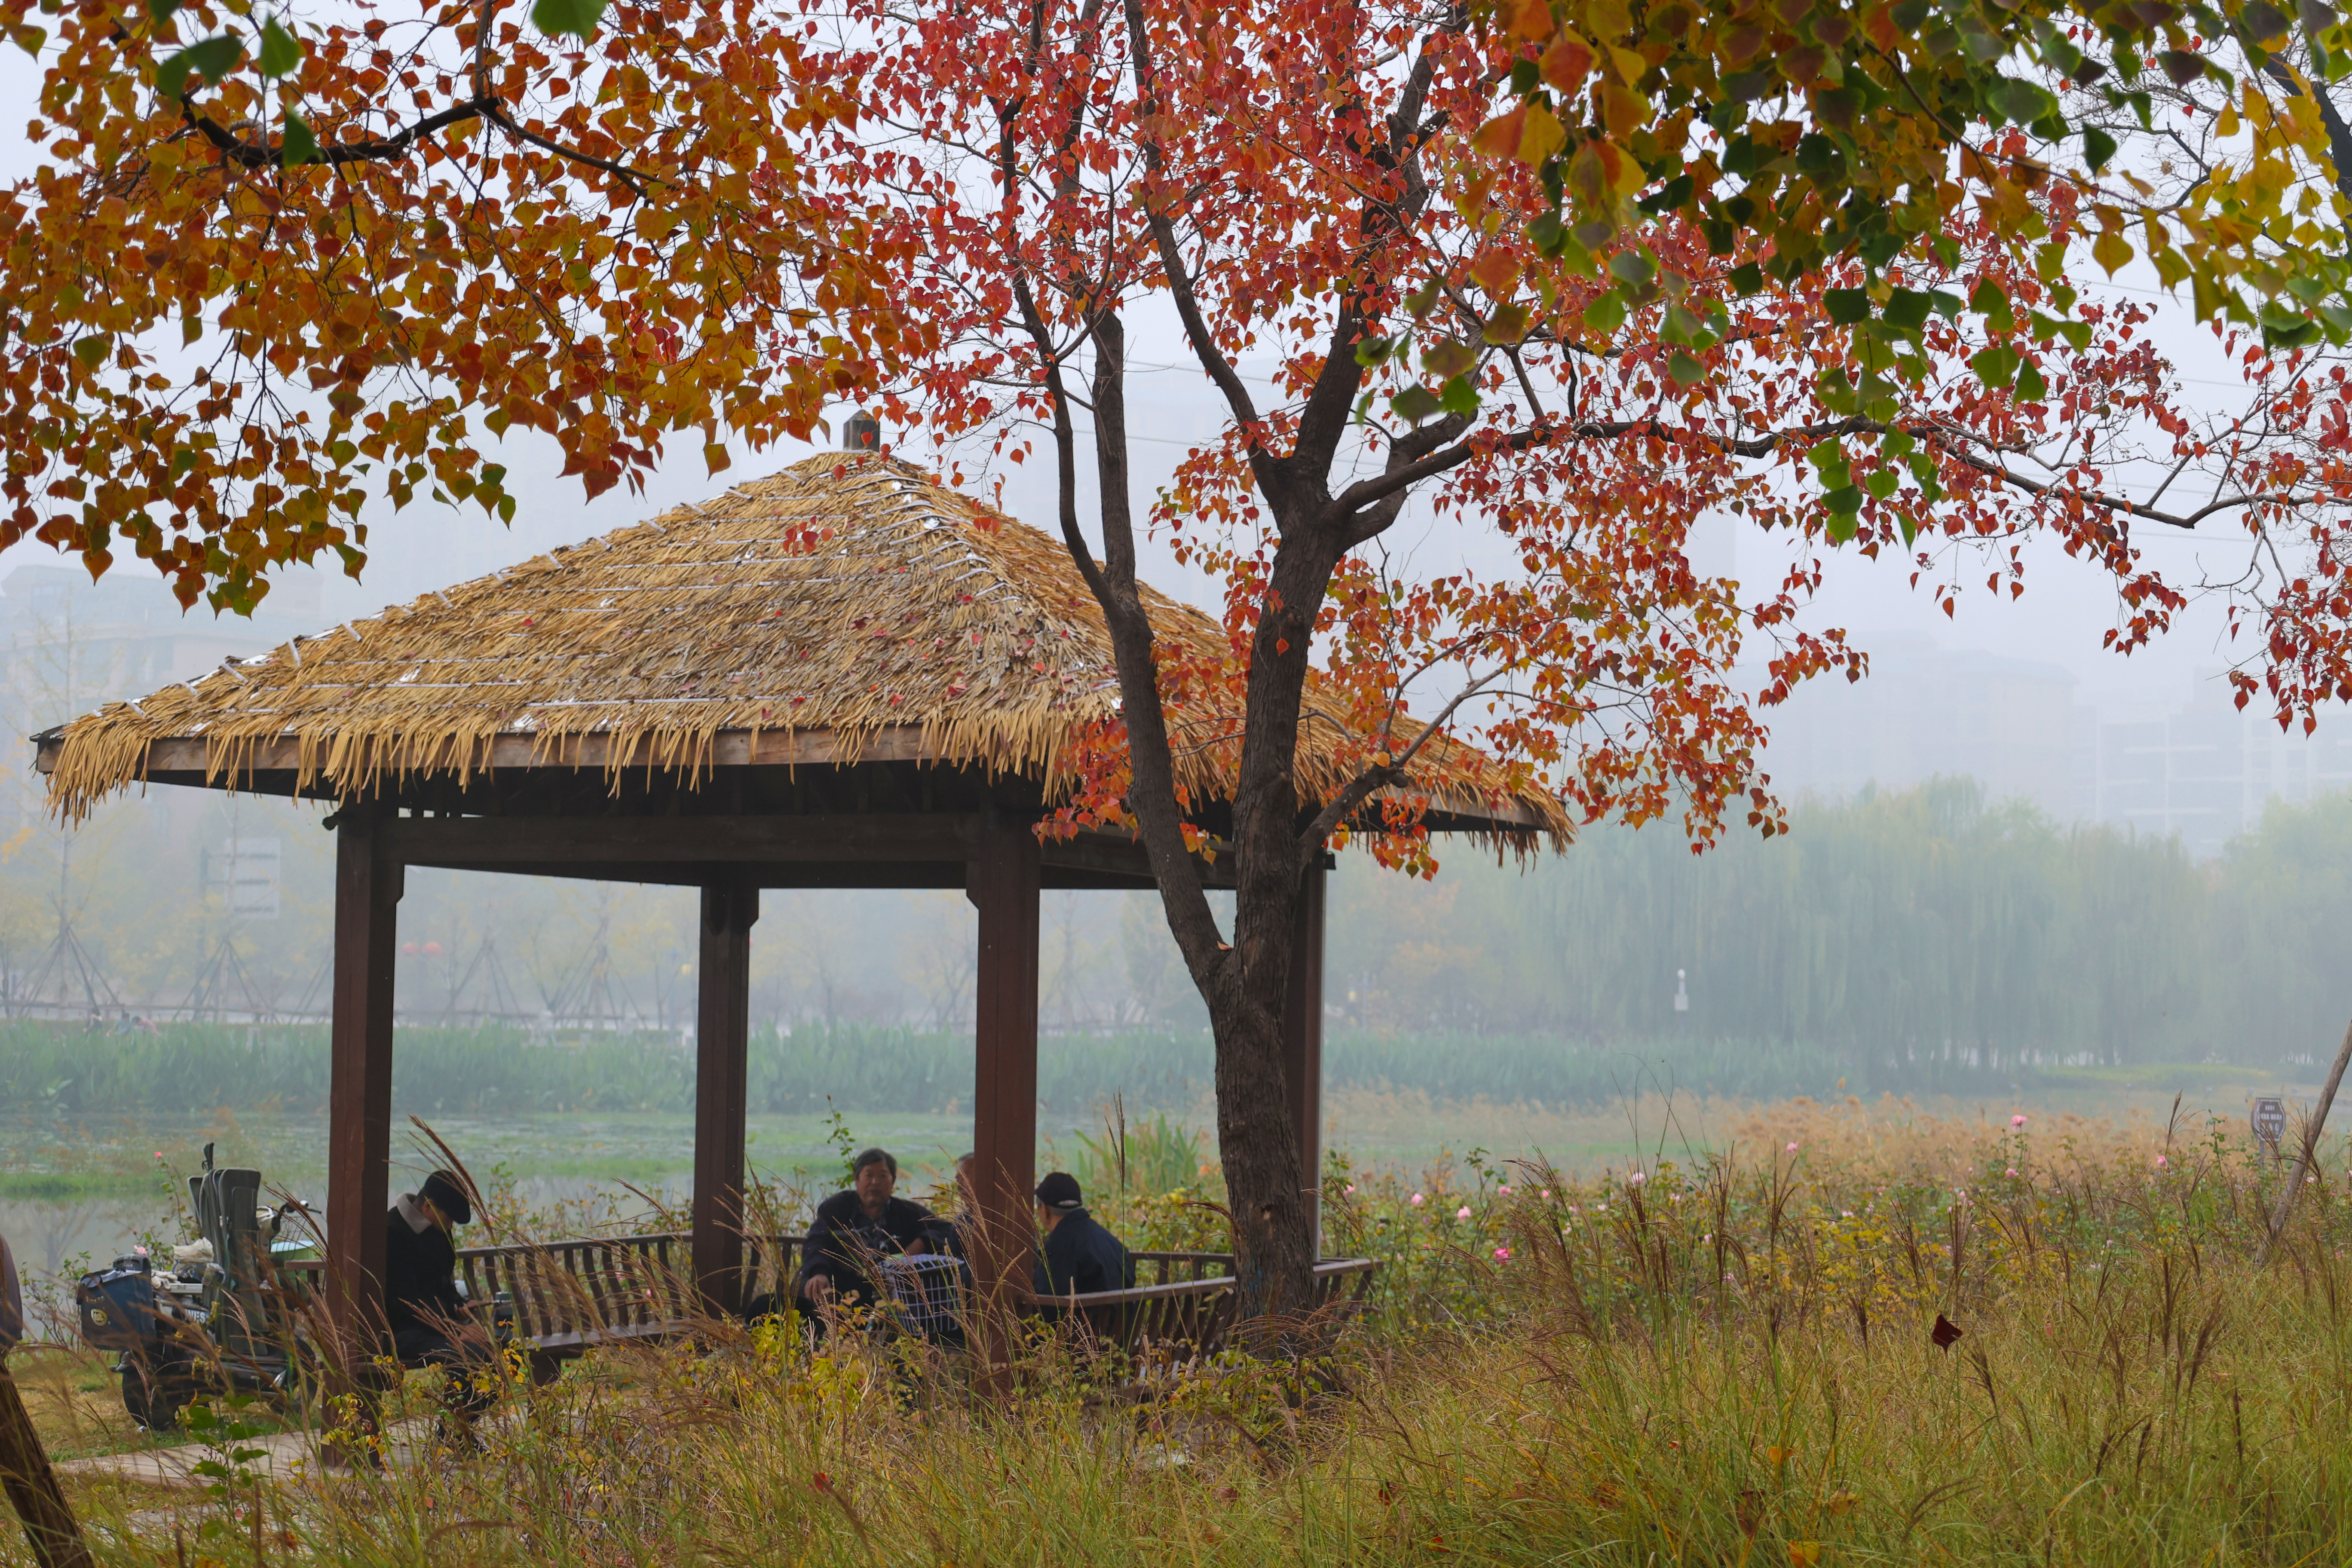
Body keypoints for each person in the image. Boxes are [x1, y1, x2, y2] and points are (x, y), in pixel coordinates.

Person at [384, 1170, 497, 1438]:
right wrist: (453, 1330)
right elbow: (404, 1301)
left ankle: (455, 1433)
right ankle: (455, 1436)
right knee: (469, 1358)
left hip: (432, 1327)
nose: (452, 1228)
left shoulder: (437, 1229)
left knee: (496, 1356)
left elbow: (442, 1282)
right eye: (450, 1220)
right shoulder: (392, 1233)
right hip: (398, 1328)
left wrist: (458, 1304)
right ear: (428, 1206)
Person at [796, 1149, 936, 1317]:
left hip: (888, 1293)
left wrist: (922, 1241)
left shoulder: (907, 1212)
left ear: (893, 1181)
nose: (875, 1182)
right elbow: (817, 1242)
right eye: (868, 1175)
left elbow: (943, 1228)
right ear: (856, 1179)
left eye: (883, 1176)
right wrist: (819, 1272)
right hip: (841, 1285)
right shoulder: (838, 1207)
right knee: (810, 1286)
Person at [1030, 1172, 1135, 1303]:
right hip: (1121, 1323)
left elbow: (1047, 1306)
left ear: (1045, 1209)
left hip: (1084, 1324)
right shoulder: (1109, 1240)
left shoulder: (1060, 1246)